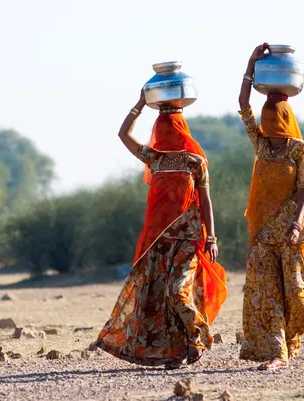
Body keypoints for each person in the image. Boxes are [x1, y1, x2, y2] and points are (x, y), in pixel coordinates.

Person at [95, 89, 228, 370]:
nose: (164, 134)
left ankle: (197, 337)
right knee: (157, 297)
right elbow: (123, 135)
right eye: (161, 129)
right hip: (159, 240)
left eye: (170, 129)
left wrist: (212, 238)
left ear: (181, 131)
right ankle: (175, 352)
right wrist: (140, 104)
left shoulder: (196, 163)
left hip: (189, 237)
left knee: (177, 290)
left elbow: (206, 201)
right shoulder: (155, 159)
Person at [237, 43, 304, 370]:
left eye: (275, 121)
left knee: (295, 291)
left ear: (285, 120)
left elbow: (303, 189)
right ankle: (278, 354)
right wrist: (250, 65)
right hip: (263, 233)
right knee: (265, 295)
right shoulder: (261, 145)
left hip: (291, 231)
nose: (270, 127)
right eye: (266, 120)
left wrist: (295, 223)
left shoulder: (299, 149)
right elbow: (243, 104)